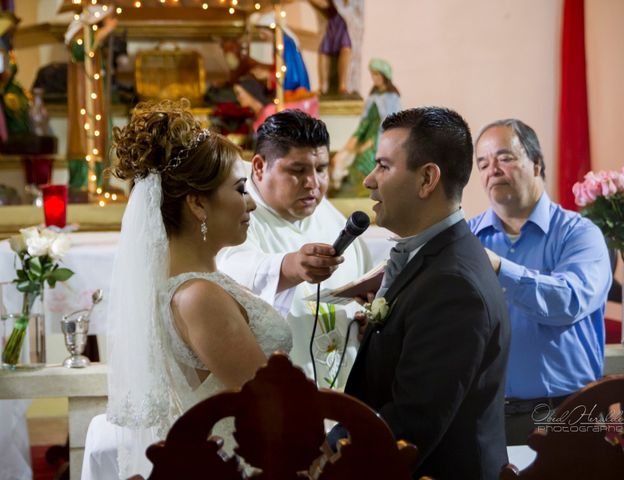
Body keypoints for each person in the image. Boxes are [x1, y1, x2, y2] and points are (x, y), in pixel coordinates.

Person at [105, 99, 292, 478]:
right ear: (197, 205)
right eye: (240, 189)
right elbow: (269, 408)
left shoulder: (193, 287)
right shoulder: (199, 297)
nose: (251, 205)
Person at [335, 107, 511, 479]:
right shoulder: (436, 257)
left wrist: (329, 456)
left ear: (427, 179)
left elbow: (413, 422)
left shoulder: (453, 284)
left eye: (383, 166)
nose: (368, 180)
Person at [468, 119, 611, 445]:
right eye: (483, 163)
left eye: (504, 157)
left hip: (567, 413)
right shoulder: (466, 238)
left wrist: (500, 268)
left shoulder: (580, 234)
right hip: (484, 416)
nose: (493, 170)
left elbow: (570, 301)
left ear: (536, 164)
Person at [217, 109, 372, 389]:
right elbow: (230, 271)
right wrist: (292, 266)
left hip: (343, 394)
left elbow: (362, 289)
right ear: (260, 166)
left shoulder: (331, 216)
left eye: (321, 169)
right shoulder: (236, 214)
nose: (313, 182)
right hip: (276, 397)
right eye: (297, 170)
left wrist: (366, 321)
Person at [331, 58, 401, 197]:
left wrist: (371, 142)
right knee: (347, 156)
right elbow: (365, 123)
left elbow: (388, 124)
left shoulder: (392, 98)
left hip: (381, 140)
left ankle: (366, 191)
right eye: (372, 75)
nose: (374, 78)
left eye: (377, 75)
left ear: (384, 76)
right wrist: (354, 139)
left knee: (365, 159)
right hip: (367, 137)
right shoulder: (373, 97)